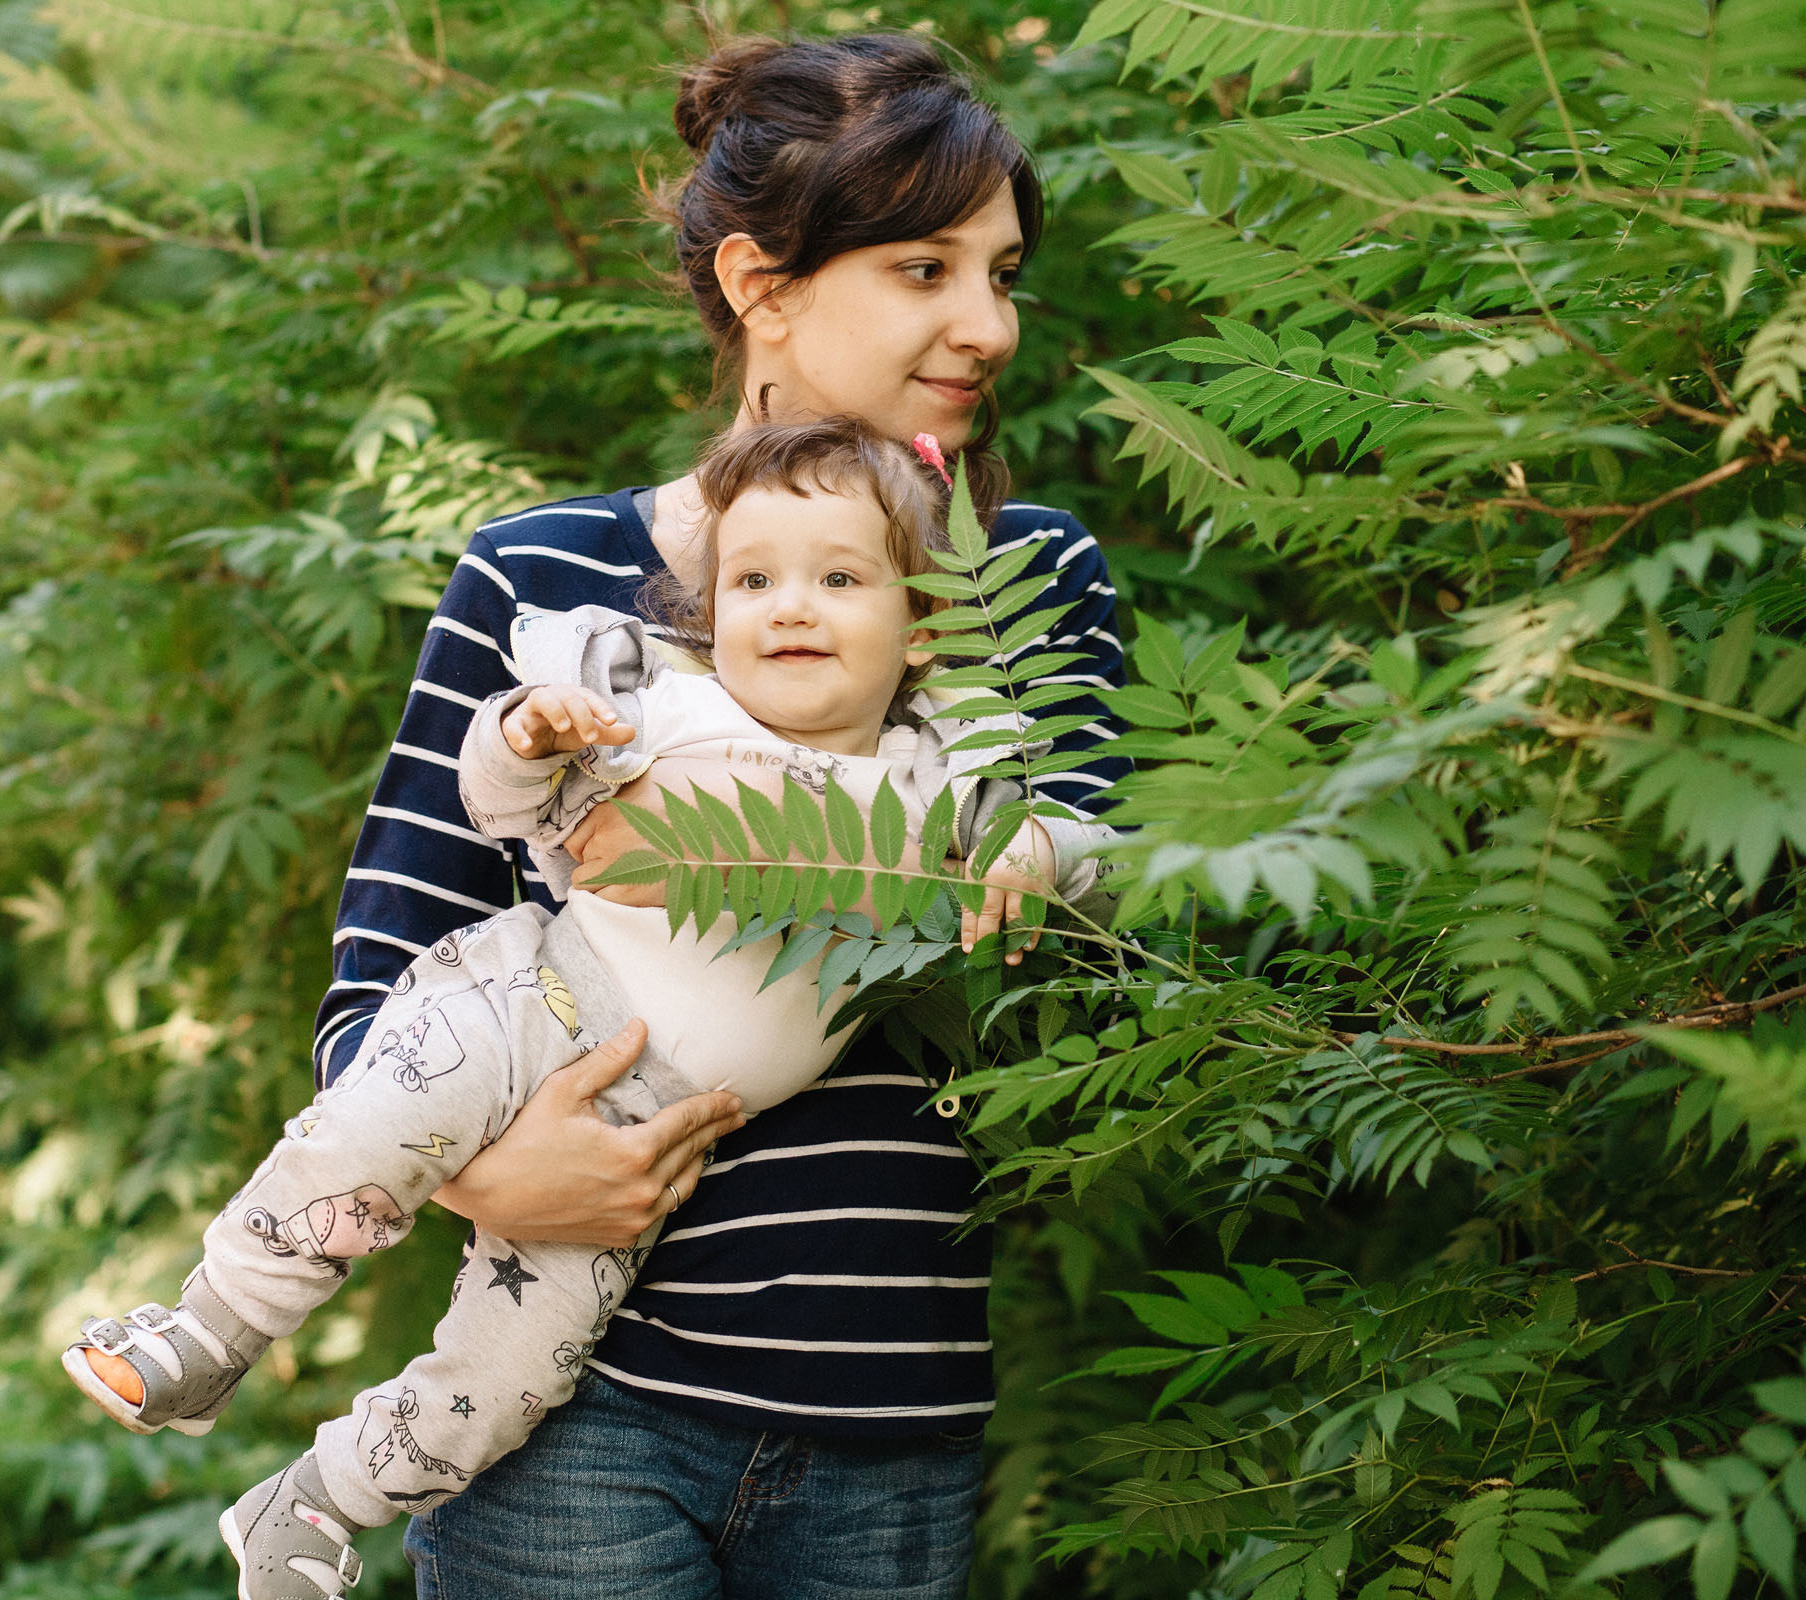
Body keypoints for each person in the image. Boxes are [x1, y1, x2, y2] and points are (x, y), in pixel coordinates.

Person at [59, 420, 1116, 1599]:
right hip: (530, 1005)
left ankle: (314, 1501)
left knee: (506, 1378)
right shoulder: (673, 705)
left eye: (840, 578)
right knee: (368, 1133)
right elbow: (495, 804)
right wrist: (524, 734)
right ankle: (213, 1327)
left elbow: (1087, 855)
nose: (791, 607)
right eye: (754, 581)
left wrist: (1040, 852)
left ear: (921, 626)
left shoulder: (936, 779)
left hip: (649, 1142)